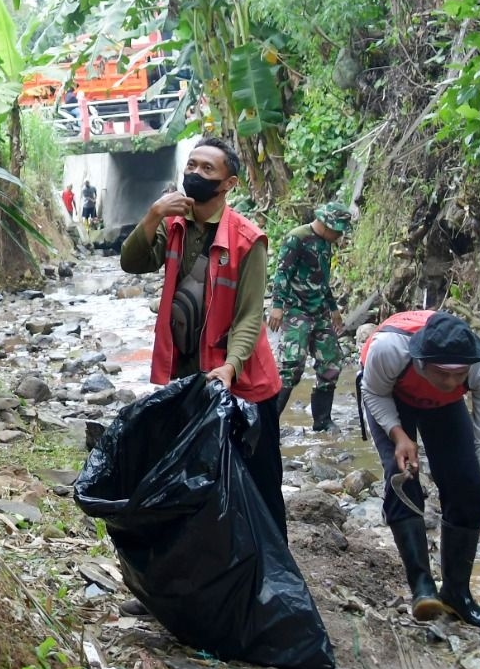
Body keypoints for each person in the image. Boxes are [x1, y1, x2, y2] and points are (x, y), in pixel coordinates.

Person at [119, 136, 286, 529]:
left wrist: (231, 367)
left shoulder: (247, 240)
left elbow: (249, 317)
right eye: (191, 165)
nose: (195, 173)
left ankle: (274, 574)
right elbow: (132, 262)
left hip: (244, 381)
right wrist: (153, 215)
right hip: (193, 378)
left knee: (261, 483)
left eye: (207, 168)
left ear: (229, 183)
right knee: (203, 479)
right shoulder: (173, 224)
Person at [357, 310, 480, 626]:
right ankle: (422, 587)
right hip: (390, 395)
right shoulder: (390, 349)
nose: (452, 381)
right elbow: (373, 392)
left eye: (460, 374)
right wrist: (398, 435)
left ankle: (457, 594)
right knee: (403, 478)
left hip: (443, 407)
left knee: (466, 487)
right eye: (443, 372)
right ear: (421, 361)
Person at [268, 199, 352, 435]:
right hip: (296, 311)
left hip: (320, 311)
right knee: (291, 366)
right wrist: (277, 306)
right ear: (326, 224)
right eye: (338, 231)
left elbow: (321, 279)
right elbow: (282, 272)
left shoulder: (325, 243)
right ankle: (268, 423)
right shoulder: (297, 237)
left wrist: (333, 308)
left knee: (331, 362)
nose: (339, 236)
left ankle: (322, 420)